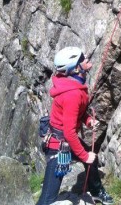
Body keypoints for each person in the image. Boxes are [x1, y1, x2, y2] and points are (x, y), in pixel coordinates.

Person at [36, 46, 114, 205]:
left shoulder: (70, 83)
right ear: (75, 68)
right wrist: (85, 156)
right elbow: (70, 132)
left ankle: (96, 190)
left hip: (63, 140)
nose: (86, 59)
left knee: (91, 159)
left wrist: (88, 121)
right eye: (82, 59)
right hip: (59, 147)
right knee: (47, 199)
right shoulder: (73, 94)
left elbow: (75, 112)